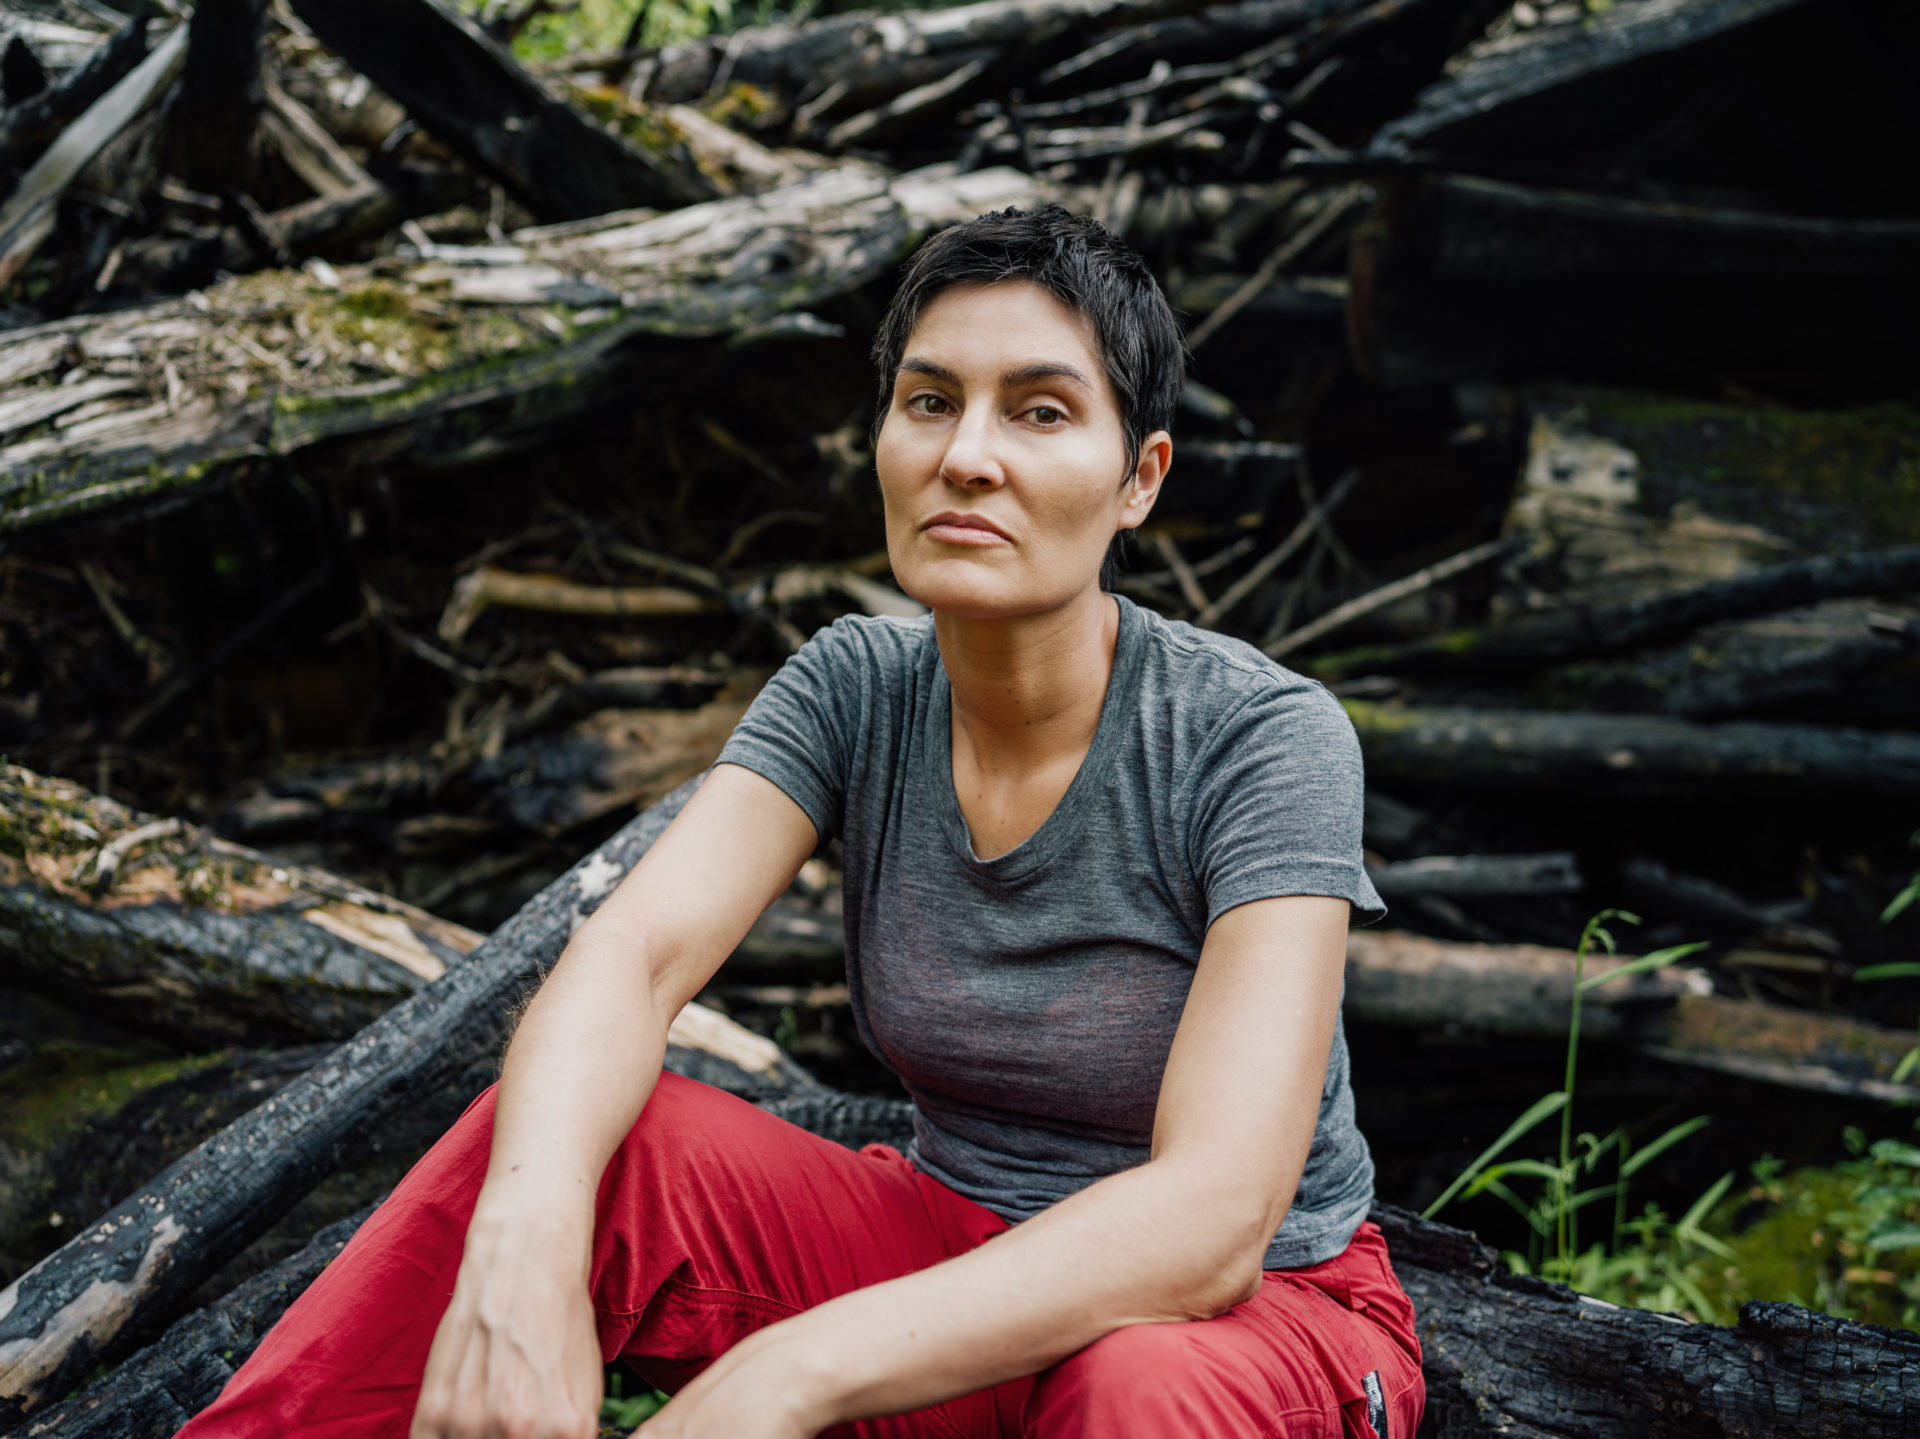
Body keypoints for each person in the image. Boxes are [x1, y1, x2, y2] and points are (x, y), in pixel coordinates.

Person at [179, 204, 1422, 1439]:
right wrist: (525, 1237)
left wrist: (787, 1372)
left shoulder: (1262, 734)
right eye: (930, 401)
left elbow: (1216, 1216)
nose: (967, 456)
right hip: (947, 1258)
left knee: (1133, 1388)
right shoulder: (855, 687)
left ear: (1138, 477)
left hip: (1261, 1318)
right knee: (577, 1145)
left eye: (1039, 411)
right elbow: (632, 958)